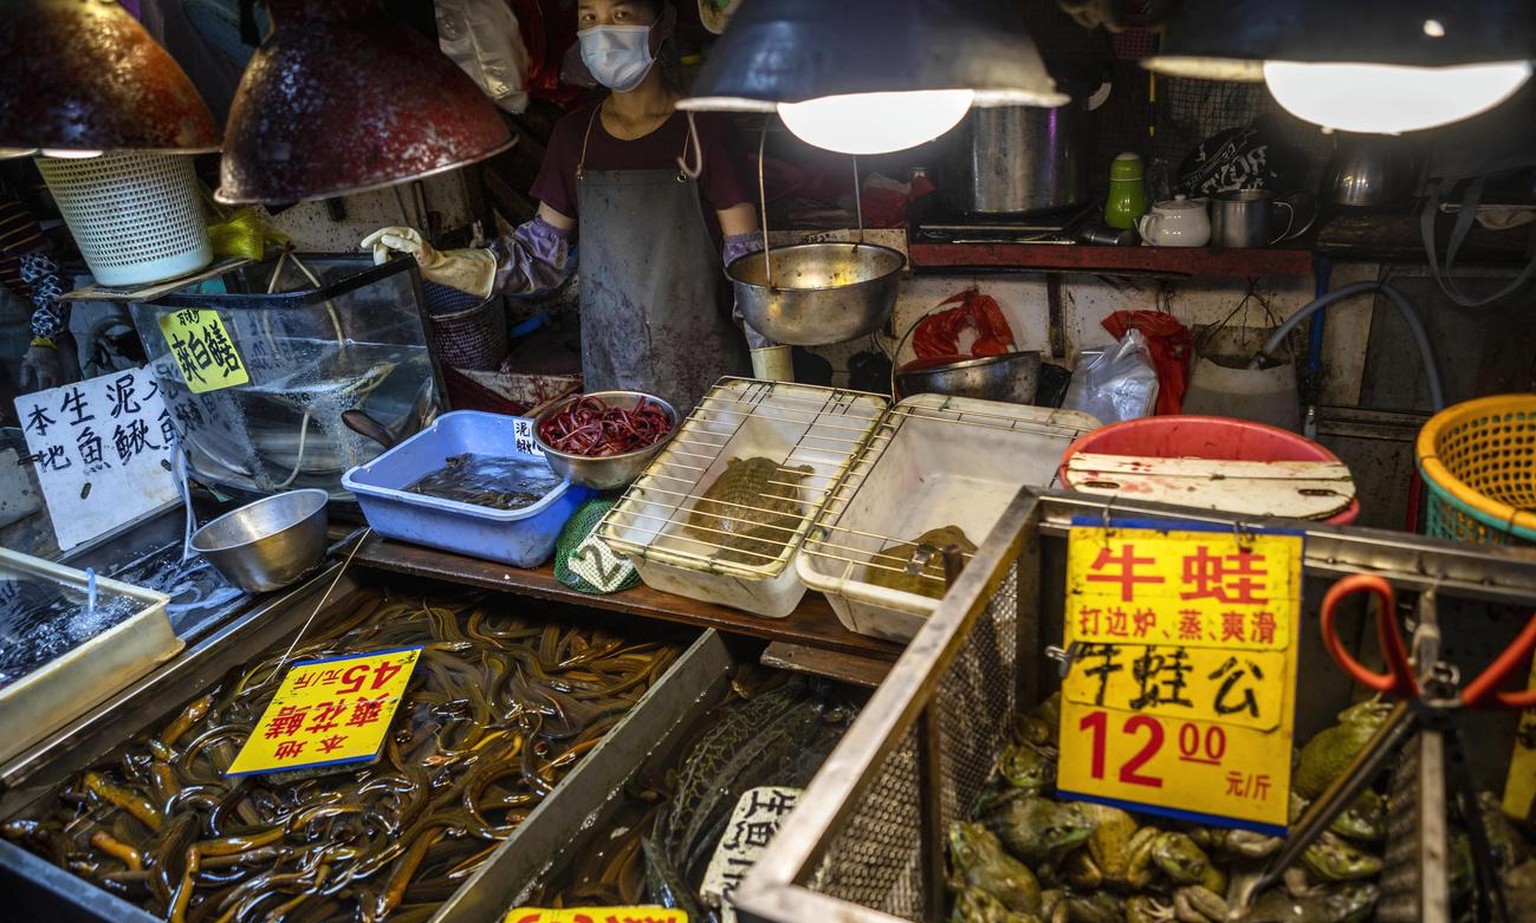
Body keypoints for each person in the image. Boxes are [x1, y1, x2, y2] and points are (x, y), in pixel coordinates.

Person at [364, 0, 788, 414]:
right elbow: (538, 258)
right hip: (612, 383)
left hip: (707, 377)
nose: (603, 31)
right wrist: (435, 262)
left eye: (621, 15)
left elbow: (749, 270)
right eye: (590, 17)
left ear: (664, 24)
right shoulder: (573, 138)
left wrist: (776, 396)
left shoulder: (706, 129)